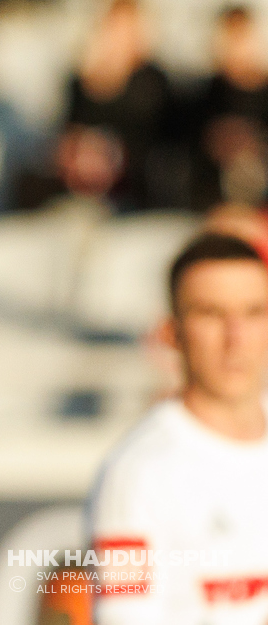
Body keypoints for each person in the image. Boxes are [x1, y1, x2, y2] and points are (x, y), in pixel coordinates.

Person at [87, 232, 268, 625]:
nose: (235, 339)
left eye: (254, 312)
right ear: (171, 333)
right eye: (211, 314)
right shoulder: (137, 472)